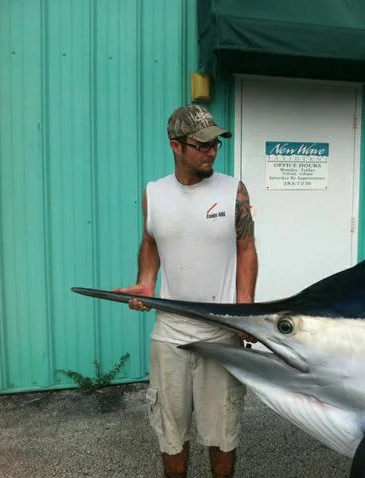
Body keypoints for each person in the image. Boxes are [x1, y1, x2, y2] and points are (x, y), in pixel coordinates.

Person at [115, 104, 258, 478]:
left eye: (216, 145)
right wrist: (146, 282)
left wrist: (245, 309)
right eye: (202, 145)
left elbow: (246, 247)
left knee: (223, 434)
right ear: (176, 146)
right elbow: (150, 241)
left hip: (220, 334)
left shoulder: (233, 191)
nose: (211, 152)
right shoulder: (155, 193)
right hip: (170, 337)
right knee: (171, 436)